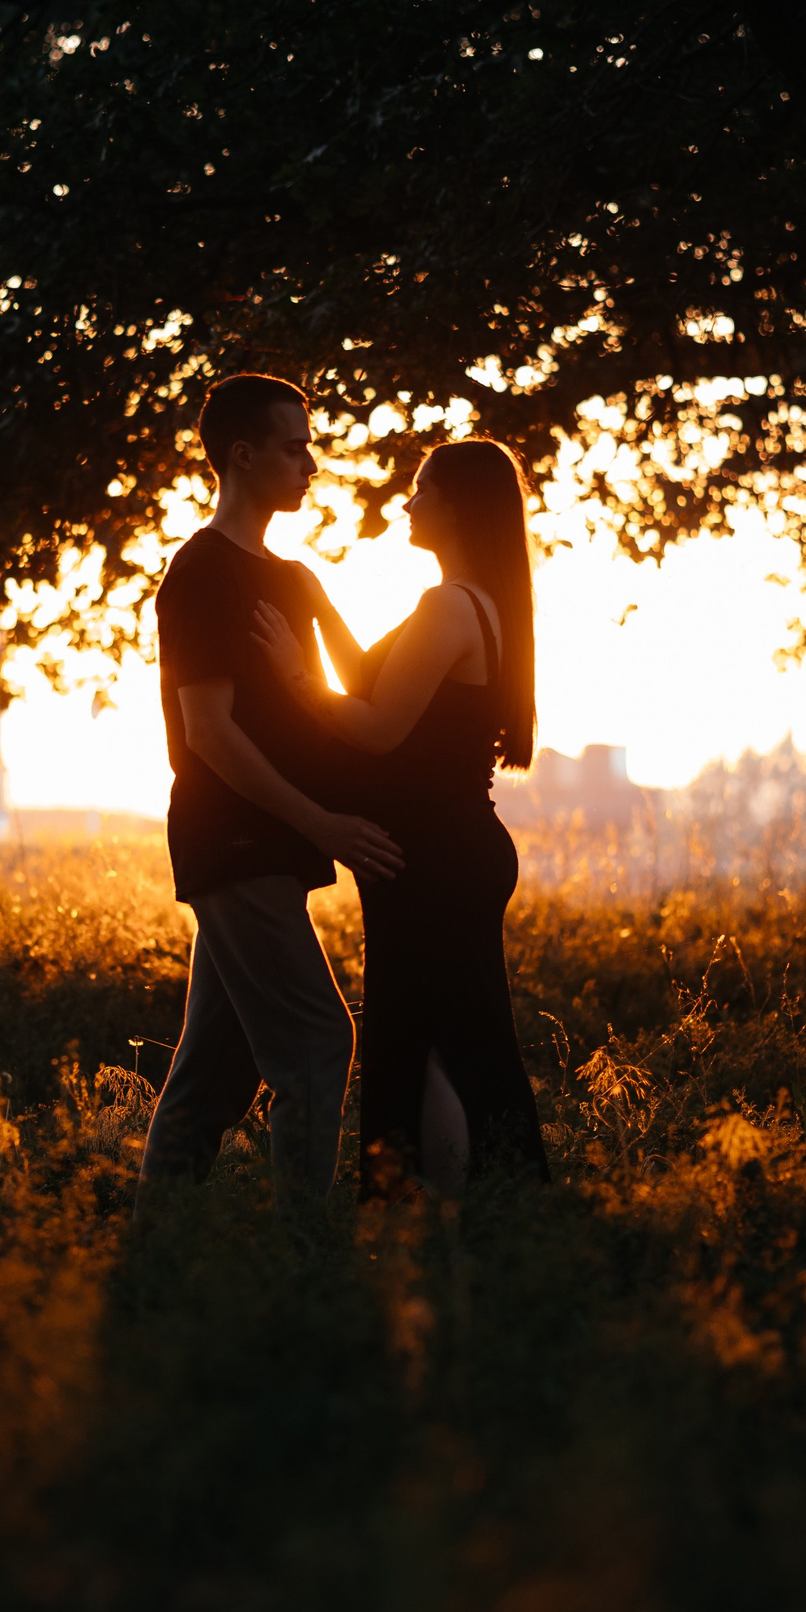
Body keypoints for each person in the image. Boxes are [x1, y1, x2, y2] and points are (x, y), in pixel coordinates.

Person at [250, 439, 552, 1198]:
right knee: (441, 1041)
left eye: (422, 491)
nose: (408, 503)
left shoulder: (450, 604)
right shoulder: (477, 601)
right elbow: (369, 681)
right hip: (446, 853)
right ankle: (454, 1217)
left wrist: (293, 674)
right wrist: (318, 609)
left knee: (445, 1046)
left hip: (436, 860)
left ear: (455, 507)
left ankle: (467, 1211)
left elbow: (378, 725)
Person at [139, 373, 404, 1202]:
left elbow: (358, 695)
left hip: (274, 845)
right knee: (320, 1039)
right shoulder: (201, 573)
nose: (311, 463)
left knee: (216, 1065)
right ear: (242, 456)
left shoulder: (296, 580)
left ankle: (155, 1256)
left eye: (311, 445)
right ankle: (305, 1255)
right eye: (295, 448)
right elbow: (209, 732)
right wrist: (319, 822)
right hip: (234, 838)